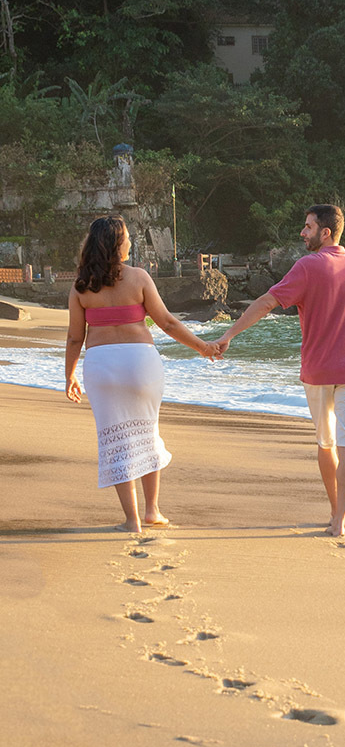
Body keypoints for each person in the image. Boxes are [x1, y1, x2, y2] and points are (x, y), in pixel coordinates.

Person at [213, 204, 345, 537]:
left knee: (326, 443)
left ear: (326, 232)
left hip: (318, 372)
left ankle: (336, 511)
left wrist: (228, 335)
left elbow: (266, 303)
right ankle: (341, 521)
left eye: (307, 227)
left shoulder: (307, 267)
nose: (302, 233)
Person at [65, 215, 218, 532]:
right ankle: (152, 512)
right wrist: (203, 347)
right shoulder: (139, 278)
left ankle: (131, 520)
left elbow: (75, 337)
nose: (131, 242)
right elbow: (168, 323)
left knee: (116, 440)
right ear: (118, 244)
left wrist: (69, 375)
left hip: (101, 364)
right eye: (127, 238)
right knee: (147, 433)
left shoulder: (81, 285)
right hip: (141, 362)